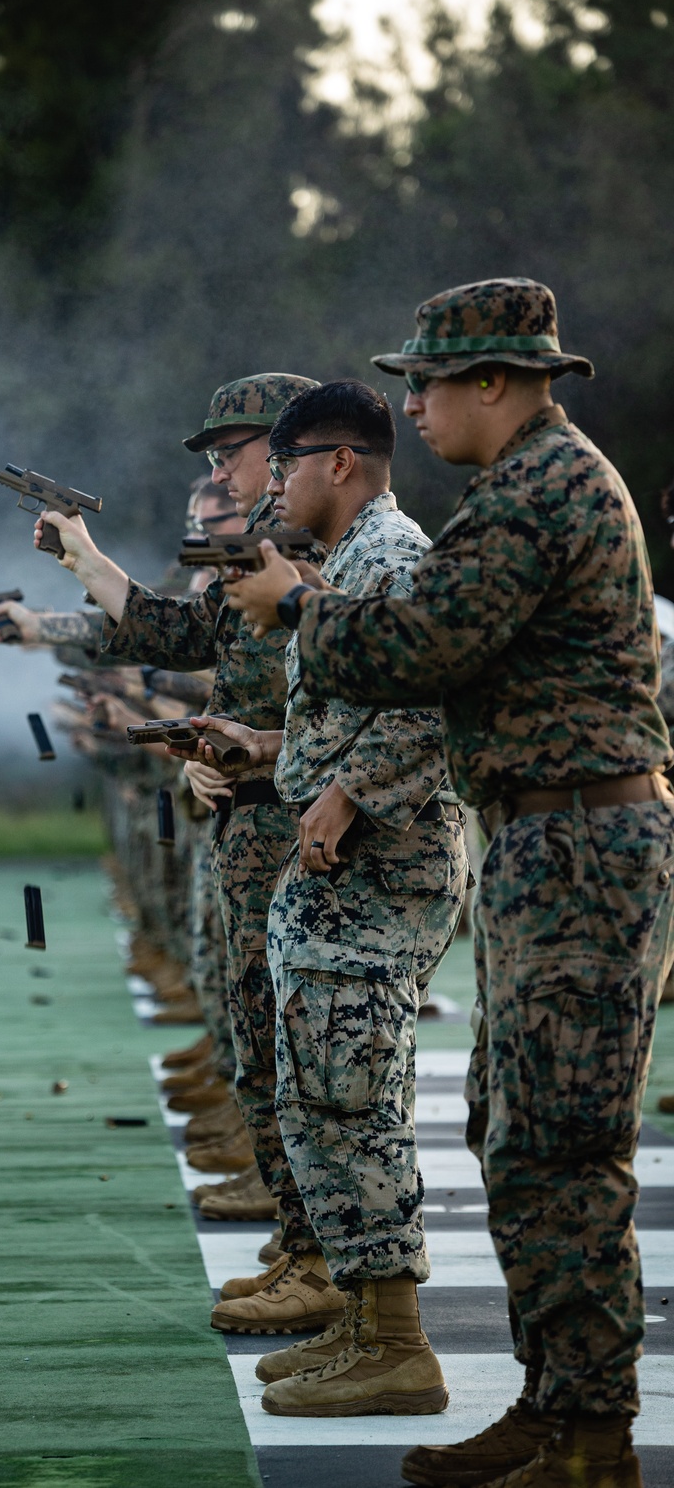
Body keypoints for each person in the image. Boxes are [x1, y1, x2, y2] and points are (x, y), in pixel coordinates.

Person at [226, 278, 674, 1488]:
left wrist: (299, 605)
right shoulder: (521, 489)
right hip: (550, 844)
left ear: (496, 384)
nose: (409, 405)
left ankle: (590, 1438)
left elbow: (417, 643)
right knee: (516, 1132)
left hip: (580, 848)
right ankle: (556, 1405)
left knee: (561, 1146)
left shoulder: (541, 491)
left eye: (426, 383)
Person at [35, 374, 363, 1285]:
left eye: (234, 453)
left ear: (289, 446)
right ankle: (302, 1253)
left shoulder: (332, 559)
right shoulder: (267, 555)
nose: (222, 475)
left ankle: (326, 1270)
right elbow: (177, 634)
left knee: (311, 1069)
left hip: (312, 837)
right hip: (252, 828)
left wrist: (261, 747)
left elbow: (377, 704)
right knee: (264, 1050)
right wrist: (85, 560)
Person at [192, 379, 468, 1410]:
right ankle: (359, 1322)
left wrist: (346, 793)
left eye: (288, 460)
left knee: (353, 1102)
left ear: (337, 463)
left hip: (381, 873)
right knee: (322, 1100)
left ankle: (397, 1344)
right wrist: (273, 749)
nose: (275, 481)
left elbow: (432, 696)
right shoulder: (357, 560)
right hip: (344, 878)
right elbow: (360, 708)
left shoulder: (390, 558)